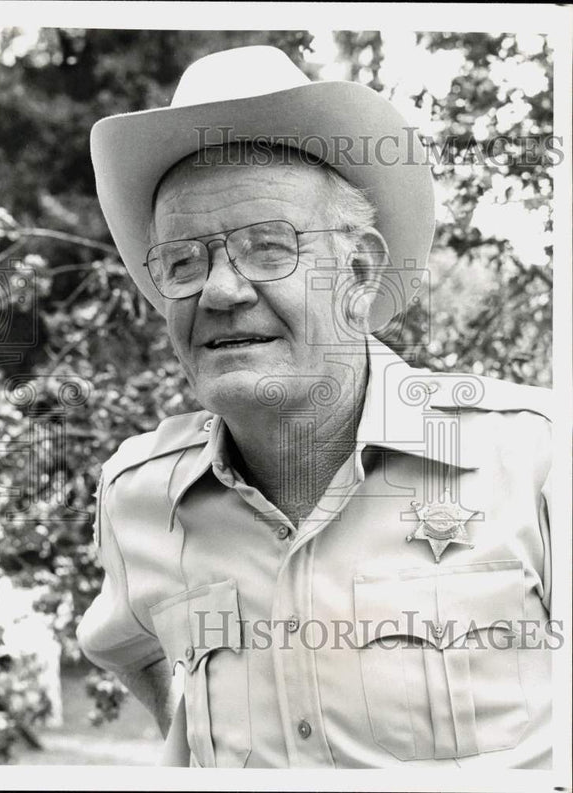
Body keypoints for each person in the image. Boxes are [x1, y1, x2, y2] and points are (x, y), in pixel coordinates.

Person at [76, 45, 553, 769]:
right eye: (184, 262)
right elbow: (124, 645)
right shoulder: (137, 496)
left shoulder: (535, 459)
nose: (222, 291)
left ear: (359, 269)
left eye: (270, 248)